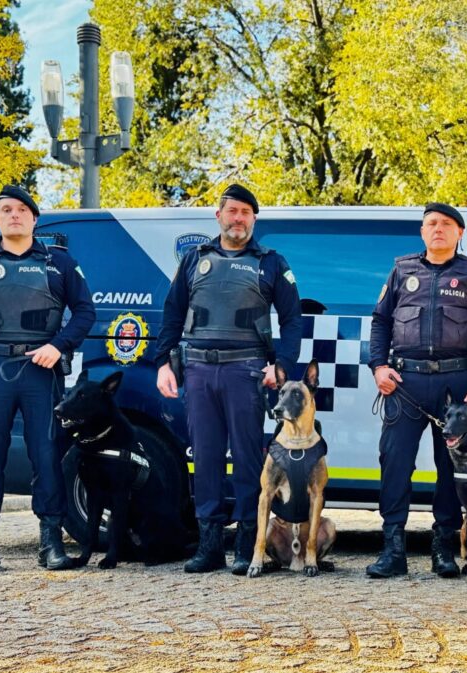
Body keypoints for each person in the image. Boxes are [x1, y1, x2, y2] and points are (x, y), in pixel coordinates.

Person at [0, 185, 96, 574]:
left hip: (39, 373)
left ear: (33, 219)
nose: (13, 215)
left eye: (21, 210)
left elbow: (84, 312)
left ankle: (50, 543)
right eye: (5, 210)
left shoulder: (58, 263)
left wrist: (59, 346)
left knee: (46, 454)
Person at [155, 184, 302, 574]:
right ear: (218, 216)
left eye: (246, 213)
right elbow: (172, 314)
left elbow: (292, 320)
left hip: (246, 370)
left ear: (254, 219)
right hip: (199, 370)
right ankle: (209, 545)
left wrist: (281, 366)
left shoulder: (271, 262)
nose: (238, 219)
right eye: (232, 211)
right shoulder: (193, 260)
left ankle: (246, 544)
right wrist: (164, 364)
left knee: (248, 458)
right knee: (204, 458)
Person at [365, 202, 467, 579]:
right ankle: (393, 549)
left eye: (445, 224)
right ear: (422, 232)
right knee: (394, 463)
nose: (437, 229)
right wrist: (379, 366)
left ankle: (444, 547)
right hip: (405, 384)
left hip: (454, 387)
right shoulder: (401, 270)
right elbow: (380, 322)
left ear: (459, 233)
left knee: (449, 468)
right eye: (431, 224)